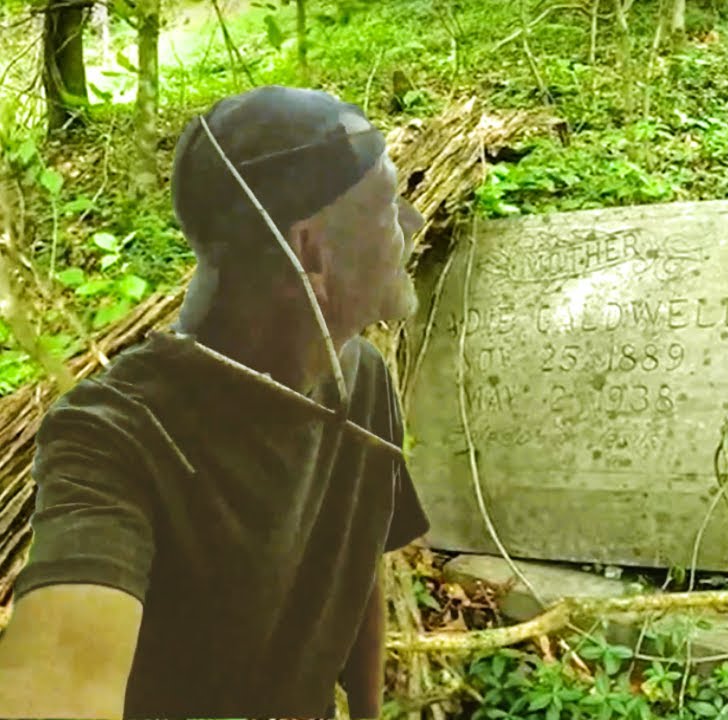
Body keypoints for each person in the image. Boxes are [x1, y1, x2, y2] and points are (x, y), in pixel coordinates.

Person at [0, 85, 431, 719]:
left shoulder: (361, 377)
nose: (412, 225)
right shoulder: (114, 436)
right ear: (310, 250)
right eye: (389, 206)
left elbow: (357, 556)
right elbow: (61, 673)